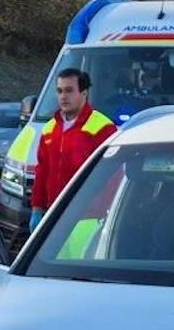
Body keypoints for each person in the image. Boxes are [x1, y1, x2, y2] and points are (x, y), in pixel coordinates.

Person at [29, 67, 115, 230]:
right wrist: (37, 209)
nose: (63, 96)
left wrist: (105, 214)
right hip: (53, 214)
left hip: (88, 219)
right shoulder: (49, 129)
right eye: (59, 91)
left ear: (84, 93)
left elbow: (110, 177)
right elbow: (42, 172)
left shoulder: (103, 128)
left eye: (69, 90)